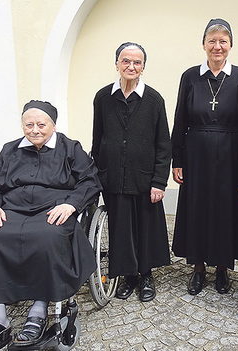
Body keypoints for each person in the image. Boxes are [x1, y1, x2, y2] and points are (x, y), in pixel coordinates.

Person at [0, 100, 101, 350]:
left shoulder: (70, 148)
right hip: (11, 210)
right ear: (22, 125)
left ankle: (38, 310)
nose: (35, 130)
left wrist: (71, 205)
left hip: (53, 211)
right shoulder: (10, 150)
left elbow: (89, 181)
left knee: (46, 237)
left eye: (42, 124)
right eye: (29, 125)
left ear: (53, 125)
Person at [171, 18, 238, 295]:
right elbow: (180, 119)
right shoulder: (190, 76)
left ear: (230, 45)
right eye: (212, 41)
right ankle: (198, 267)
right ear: (203, 45)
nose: (217, 46)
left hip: (231, 154)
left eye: (223, 41)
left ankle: (222, 268)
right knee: (198, 209)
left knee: (226, 210)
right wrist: (178, 159)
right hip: (196, 154)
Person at [92, 42, 171, 303]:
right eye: (126, 61)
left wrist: (159, 181)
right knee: (121, 230)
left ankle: (146, 275)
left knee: (146, 229)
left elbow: (163, 144)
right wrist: (99, 173)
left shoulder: (154, 100)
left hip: (145, 177)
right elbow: (97, 138)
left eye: (137, 62)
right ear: (117, 64)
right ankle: (128, 276)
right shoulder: (103, 98)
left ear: (143, 67)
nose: (131, 66)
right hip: (114, 177)